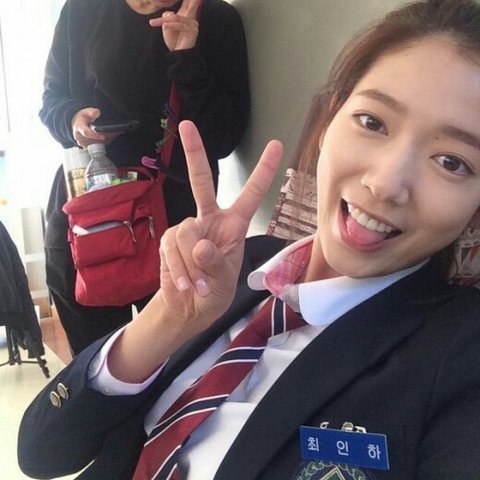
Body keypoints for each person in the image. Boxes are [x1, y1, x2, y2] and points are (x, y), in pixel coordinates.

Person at [19, 0, 480, 478]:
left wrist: (187, 57)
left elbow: (223, 132)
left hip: (164, 201)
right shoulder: (237, 266)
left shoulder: (461, 358)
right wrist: (165, 322)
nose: (385, 184)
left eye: (452, 162)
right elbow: (41, 455)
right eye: (373, 122)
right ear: (327, 121)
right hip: (88, 211)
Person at [40, 0, 250, 354]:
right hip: (87, 223)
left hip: (175, 227)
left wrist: (186, 58)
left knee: (175, 368)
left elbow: (224, 137)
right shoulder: (83, 9)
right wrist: (74, 120)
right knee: (96, 366)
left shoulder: (216, 19)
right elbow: (52, 100)